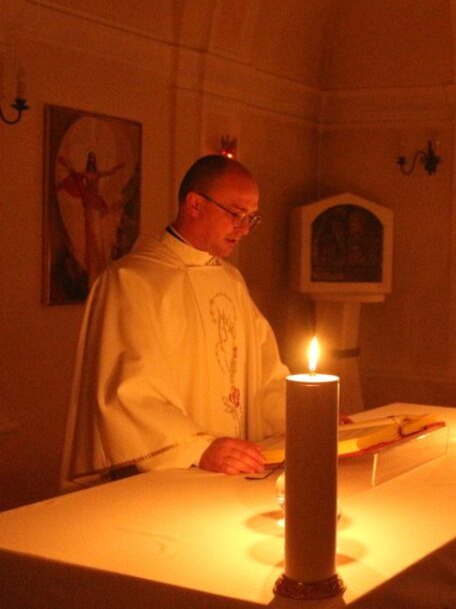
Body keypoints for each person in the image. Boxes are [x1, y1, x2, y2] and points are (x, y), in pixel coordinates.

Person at [62, 155, 288, 486]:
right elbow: (128, 393)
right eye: (237, 214)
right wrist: (198, 448)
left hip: (234, 473)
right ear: (195, 204)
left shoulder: (231, 281)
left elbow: (264, 377)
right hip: (167, 478)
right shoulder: (132, 281)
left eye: (251, 218)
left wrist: (305, 415)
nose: (243, 229)